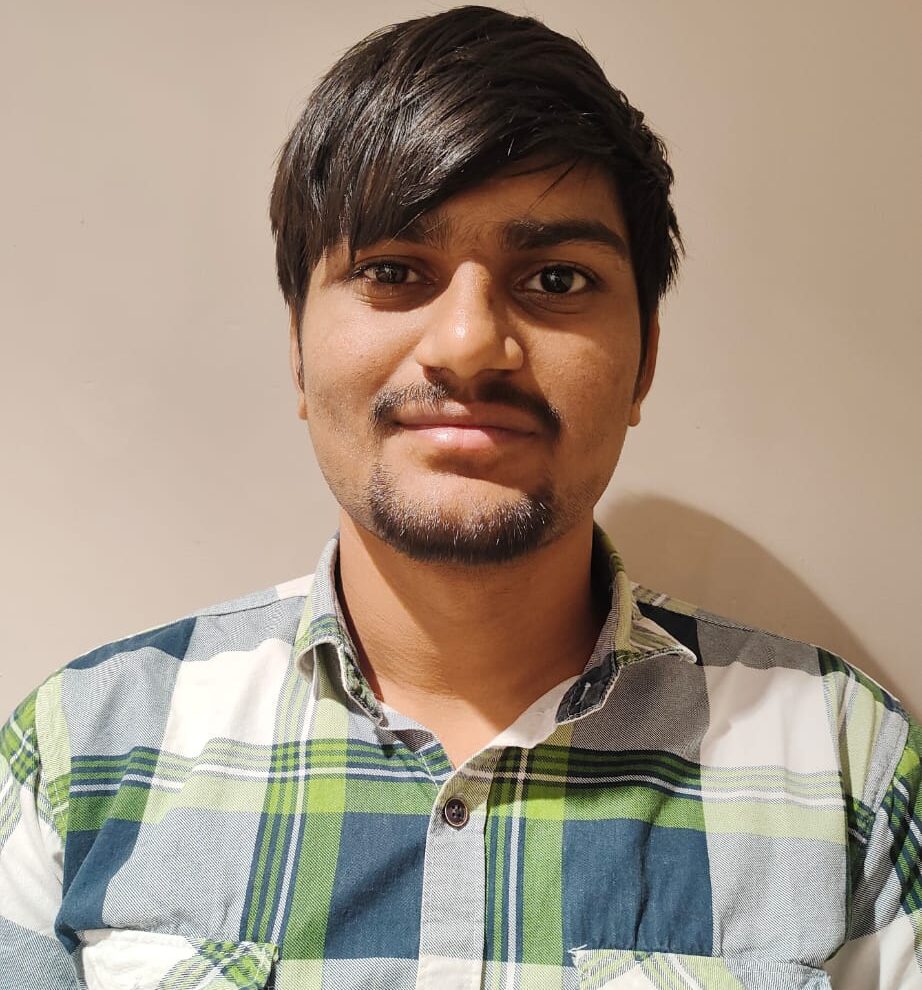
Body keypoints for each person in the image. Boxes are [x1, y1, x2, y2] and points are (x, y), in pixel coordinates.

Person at [1, 5, 919, 988]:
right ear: (298, 351)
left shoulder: (845, 761)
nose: (470, 344)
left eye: (556, 278)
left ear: (644, 361)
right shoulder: (82, 751)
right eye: (394, 271)